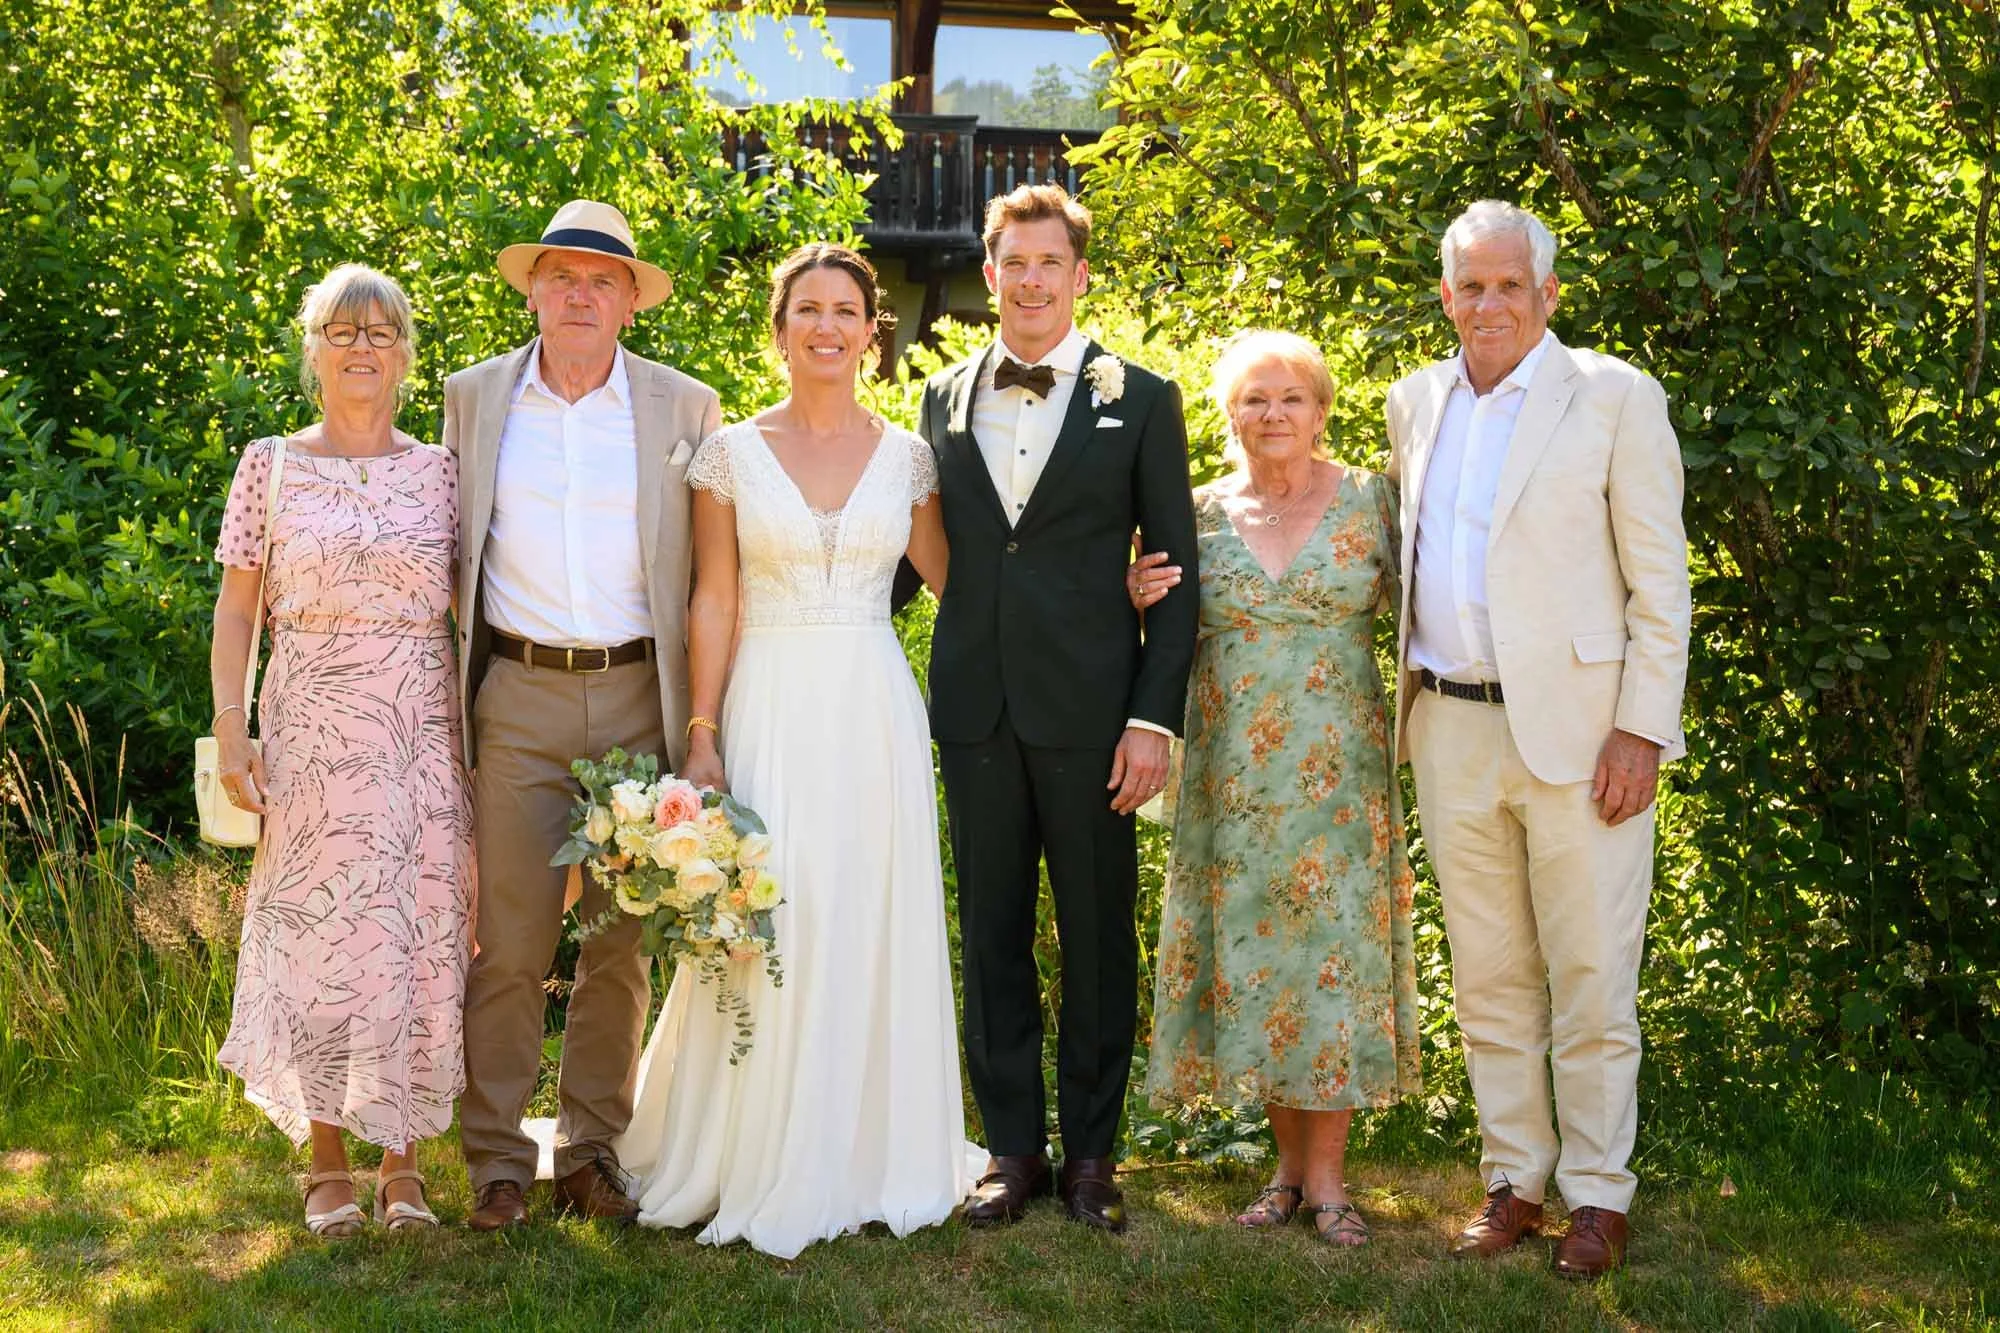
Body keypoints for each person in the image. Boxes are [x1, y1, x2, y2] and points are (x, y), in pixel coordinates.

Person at [614, 243, 976, 1259]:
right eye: (806, 309)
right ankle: (743, 1148)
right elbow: (714, 597)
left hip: (872, 708)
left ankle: (868, 1148)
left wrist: (1099, 594)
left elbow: (962, 586)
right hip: (767, 701)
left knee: (864, 910)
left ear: (872, 331)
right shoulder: (728, 453)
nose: (826, 326)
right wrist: (702, 732)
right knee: (773, 913)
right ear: (778, 330)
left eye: (845, 311)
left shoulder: (909, 456)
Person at [1389, 200, 1690, 1277]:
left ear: (1547, 294)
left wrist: (1640, 729)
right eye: (1469, 285)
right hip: (1448, 726)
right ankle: (1513, 1178)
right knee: (1487, 974)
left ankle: (1598, 1195)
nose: (1487, 303)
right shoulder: (1412, 401)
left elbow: (1659, 586)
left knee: (1590, 972)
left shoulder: (1611, 398)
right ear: (1445, 295)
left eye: (1508, 284)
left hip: (1580, 735)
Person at [919, 184, 1199, 1233]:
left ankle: (1090, 1154)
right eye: (1012, 262)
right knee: (989, 930)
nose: (1030, 280)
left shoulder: (1145, 397)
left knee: (1091, 936)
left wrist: (1151, 717)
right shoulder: (940, 397)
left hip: (1093, 712)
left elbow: (1171, 572)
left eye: (1050, 263)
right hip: (976, 706)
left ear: (1079, 277)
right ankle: (1009, 1150)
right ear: (987, 275)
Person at [446, 200, 721, 1231]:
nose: (578, 293)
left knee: (617, 942)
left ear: (629, 304)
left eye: (601, 280)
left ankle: (592, 1150)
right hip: (514, 693)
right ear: (531, 289)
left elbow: (714, 573)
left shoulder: (685, 410)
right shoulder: (473, 398)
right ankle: (497, 1163)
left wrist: (703, 724)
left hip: (640, 695)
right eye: (560, 274)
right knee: (510, 942)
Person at [1130, 331, 1420, 1247]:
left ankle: (1329, 1180)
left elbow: (1438, 607)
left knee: (1331, 957)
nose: (1274, 414)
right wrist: (1129, 590)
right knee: (1261, 963)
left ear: (1322, 409)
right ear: (1230, 417)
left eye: (1291, 397)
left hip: (1341, 776)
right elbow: (1152, 627)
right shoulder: (1195, 513)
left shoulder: (1374, 501)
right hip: (1235, 777)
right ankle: (1287, 1173)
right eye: (1255, 399)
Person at [210, 263, 471, 1236]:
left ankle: (403, 1164)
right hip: (310, 730)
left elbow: (469, 612)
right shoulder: (267, 464)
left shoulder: (441, 469)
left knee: (411, 938)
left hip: (417, 731)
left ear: (406, 353)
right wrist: (234, 725)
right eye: (341, 330)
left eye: (380, 331)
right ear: (311, 347)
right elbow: (237, 609)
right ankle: (325, 1160)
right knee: (320, 940)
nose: (361, 346)